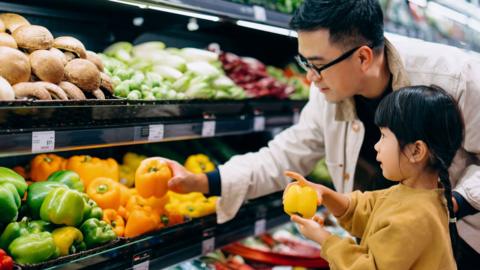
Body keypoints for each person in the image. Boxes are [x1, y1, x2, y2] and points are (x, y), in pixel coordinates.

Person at [163, 0, 480, 267]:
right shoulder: (329, 90)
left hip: (461, 242)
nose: (310, 77)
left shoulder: (455, 77)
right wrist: (203, 181)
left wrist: (449, 203)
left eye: (317, 64)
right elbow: (285, 156)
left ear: (363, 57)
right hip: (379, 237)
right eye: (304, 61)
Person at [288, 85, 460, 269]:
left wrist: (323, 239)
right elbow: (366, 209)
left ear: (416, 151)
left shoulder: (412, 219)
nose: (377, 146)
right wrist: (326, 194)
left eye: (384, 137)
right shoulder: (414, 194)